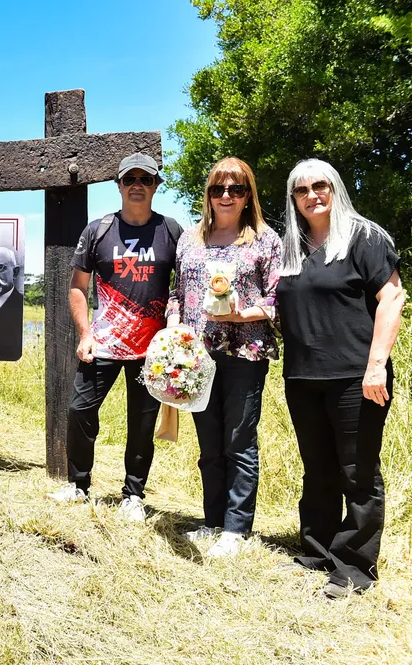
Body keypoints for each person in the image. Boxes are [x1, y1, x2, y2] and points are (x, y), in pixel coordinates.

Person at [276, 159, 404, 599]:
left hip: (356, 376)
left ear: (336, 189)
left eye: (320, 186)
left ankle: (354, 567)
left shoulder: (364, 237)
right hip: (302, 376)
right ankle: (316, 551)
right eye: (301, 190)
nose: (312, 195)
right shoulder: (292, 247)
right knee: (318, 469)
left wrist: (376, 365)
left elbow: (392, 297)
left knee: (358, 471)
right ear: (293, 199)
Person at [49, 153, 183, 521]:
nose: (137, 185)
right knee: (80, 411)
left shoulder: (172, 231)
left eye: (145, 179)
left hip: (152, 348)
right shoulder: (98, 230)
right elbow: (78, 287)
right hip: (104, 344)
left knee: (142, 422)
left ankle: (133, 495)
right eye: (130, 179)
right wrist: (85, 333)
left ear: (156, 185)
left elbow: (185, 288)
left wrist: (177, 337)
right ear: (119, 186)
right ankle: (78, 485)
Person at [165, 157, 282, 556]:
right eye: (218, 189)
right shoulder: (190, 240)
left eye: (236, 189)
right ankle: (212, 521)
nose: (226, 196)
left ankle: (236, 528)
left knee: (239, 440)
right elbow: (177, 294)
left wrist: (240, 313)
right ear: (209, 195)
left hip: (245, 353)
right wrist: (175, 327)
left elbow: (277, 300)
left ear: (249, 195)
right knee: (209, 443)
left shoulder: (266, 240)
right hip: (198, 357)